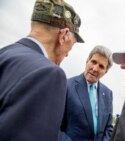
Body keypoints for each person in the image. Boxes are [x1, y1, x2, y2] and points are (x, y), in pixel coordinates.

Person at [0, 0, 84, 141]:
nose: (68, 54)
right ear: (63, 36)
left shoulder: (4, 54)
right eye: (71, 45)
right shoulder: (49, 74)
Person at [59, 45, 113, 141]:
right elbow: (56, 125)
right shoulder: (67, 86)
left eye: (101, 66)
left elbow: (108, 128)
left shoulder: (108, 94)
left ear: (105, 71)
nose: (95, 68)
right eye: (93, 62)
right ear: (87, 61)